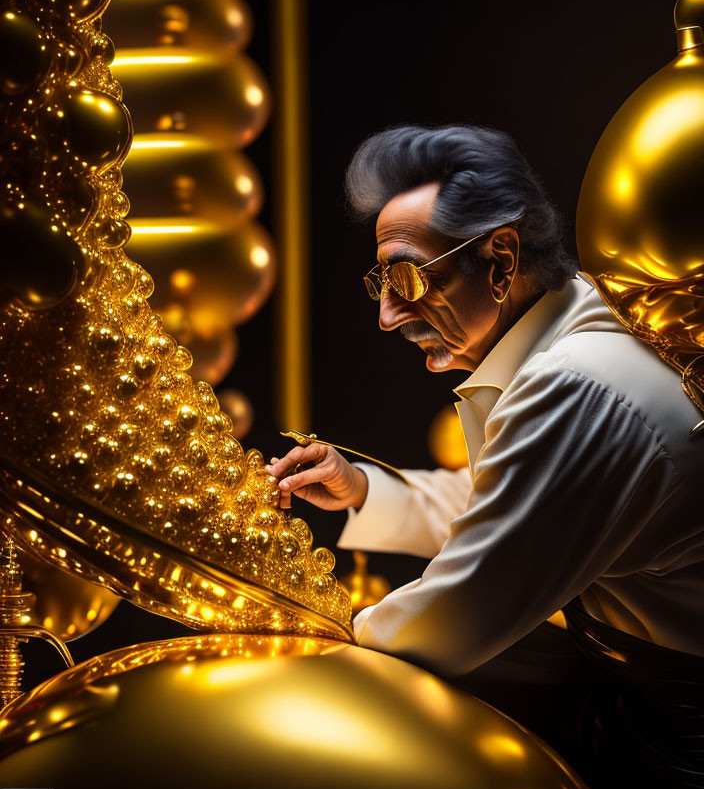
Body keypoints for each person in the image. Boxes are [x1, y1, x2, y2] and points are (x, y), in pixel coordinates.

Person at [266, 123, 704, 678]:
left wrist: (299, 629)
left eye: (407, 276)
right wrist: (360, 488)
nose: (387, 316)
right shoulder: (577, 326)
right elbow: (510, 498)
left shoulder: (579, 385)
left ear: (500, 259)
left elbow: (451, 619)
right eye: (382, 282)